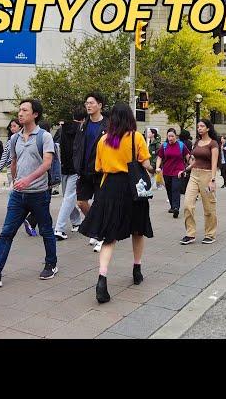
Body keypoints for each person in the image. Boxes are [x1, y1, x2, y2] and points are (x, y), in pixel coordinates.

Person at [0, 99, 57, 287]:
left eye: (25, 110)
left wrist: (28, 179)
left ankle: (51, 264)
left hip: (39, 193)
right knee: (6, 232)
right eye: (20, 110)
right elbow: (14, 161)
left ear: (35, 114)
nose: (20, 113)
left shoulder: (44, 137)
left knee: (46, 230)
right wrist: (15, 180)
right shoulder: (14, 138)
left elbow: (47, 163)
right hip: (18, 195)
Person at [78, 103, 153, 303]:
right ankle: (137, 269)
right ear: (130, 118)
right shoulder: (136, 137)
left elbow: (99, 167)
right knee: (138, 229)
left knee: (109, 236)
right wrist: (152, 168)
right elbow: (145, 163)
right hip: (133, 188)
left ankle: (102, 278)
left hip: (109, 188)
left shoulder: (103, 140)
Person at [73, 92, 109, 252]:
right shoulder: (83, 125)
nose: (88, 105)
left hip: (102, 171)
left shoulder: (109, 126)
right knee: (81, 202)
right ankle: (96, 227)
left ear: (100, 105)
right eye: (86, 103)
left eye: (91, 103)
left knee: (101, 204)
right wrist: (77, 166)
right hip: (84, 171)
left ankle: (102, 234)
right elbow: (77, 147)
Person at [180, 119, 220, 245]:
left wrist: (212, 180)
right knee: (187, 205)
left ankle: (210, 234)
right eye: (198, 126)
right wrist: (185, 170)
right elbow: (195, 161)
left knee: (209, 207)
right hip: (194, 175)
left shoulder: (213, 144)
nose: (199, 128)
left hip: (207, 175)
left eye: (202, 126)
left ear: (208, 128)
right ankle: (190, 234)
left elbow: (214, 163)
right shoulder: (197, 142)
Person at [54, 106, 87, 240]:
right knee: (69, 198)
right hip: (75, 169)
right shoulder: (82, 130)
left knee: (68, 197)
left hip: (63, 168)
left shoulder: (61, 130)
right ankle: (59, 228)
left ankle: (76, 222)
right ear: (84, 118)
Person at [155, 128, 190, 218]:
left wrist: (189, 167)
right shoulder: (164, 145)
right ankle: (172, 206)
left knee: (175, 189)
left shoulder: (181, 145)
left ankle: (176, 208)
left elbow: (188, 157)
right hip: (166, 171)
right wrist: (157, 167)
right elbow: (159, 157)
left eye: (172, 136)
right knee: (169, 189)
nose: (170, 138)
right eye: (169, 136)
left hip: (178, 171)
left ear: (176, 136)